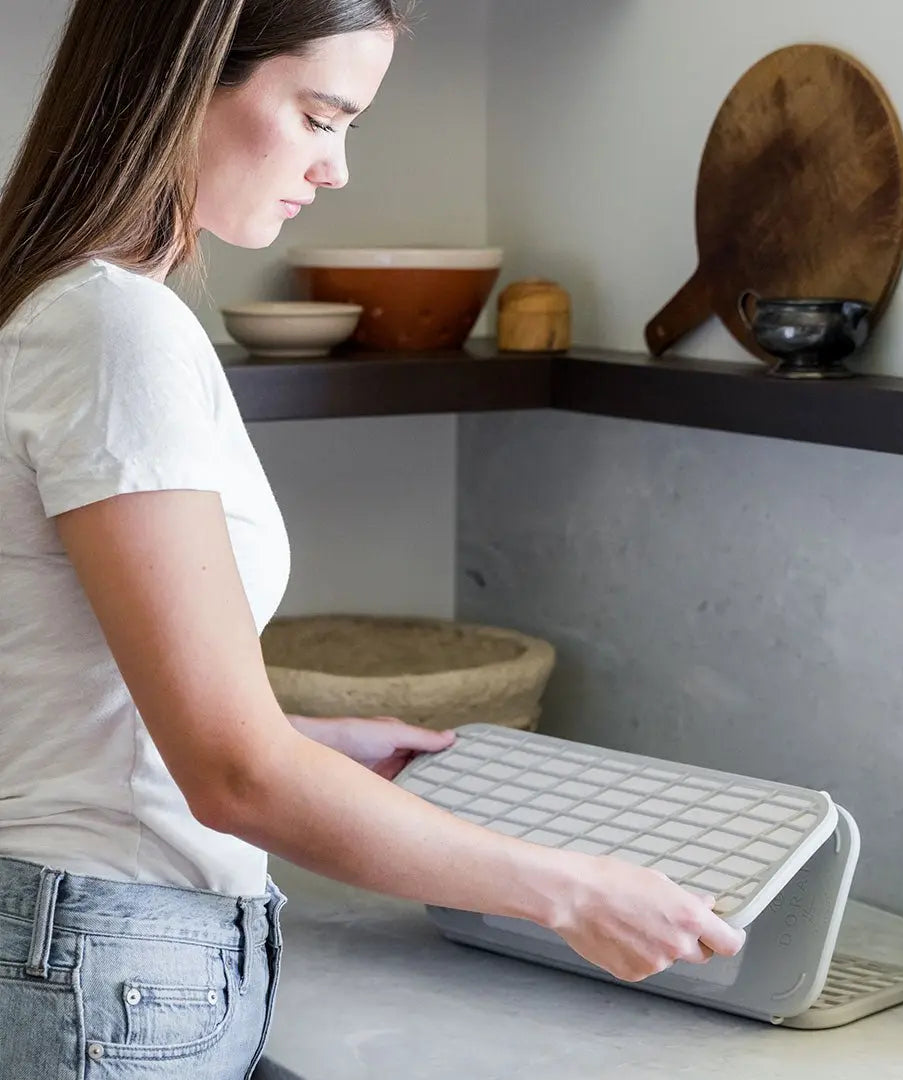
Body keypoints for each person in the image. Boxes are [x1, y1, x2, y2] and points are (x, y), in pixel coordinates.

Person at [0, 1, 746, 1076]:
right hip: (107, 960)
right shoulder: (114, 327)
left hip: (82, 949)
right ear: (186, 79)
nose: (337, 167)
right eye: (318, 116)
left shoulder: (52, 309)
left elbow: (62, 685)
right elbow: (234, 779)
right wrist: (573, 891)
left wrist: (296, 731)